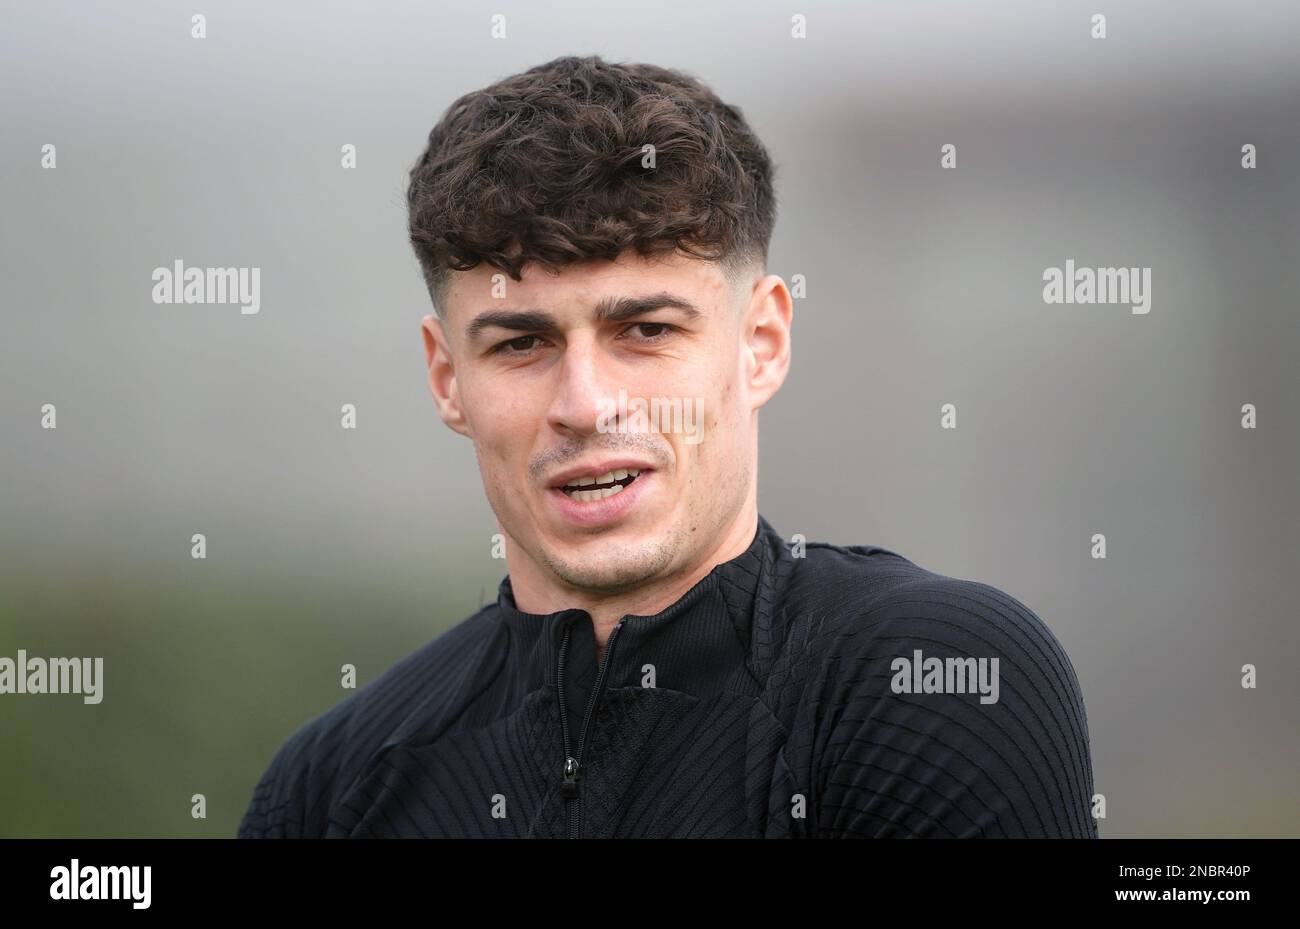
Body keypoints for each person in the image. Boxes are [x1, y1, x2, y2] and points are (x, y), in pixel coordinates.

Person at [238, 54, 1098, 838]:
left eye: (644, 329)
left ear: (760, 342)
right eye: (520, 344)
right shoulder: (329, 791)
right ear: (446, 376)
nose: (586, 404)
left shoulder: (928, 676)